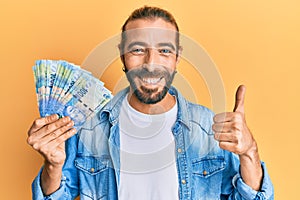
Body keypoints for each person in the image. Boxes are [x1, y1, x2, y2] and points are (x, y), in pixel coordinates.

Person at [27, 6, 274, 200]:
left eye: (164, 51)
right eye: (137, 49)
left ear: (177, 57)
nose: (150, 62)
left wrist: (250, 154)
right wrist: (53, 165)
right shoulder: (89, 127)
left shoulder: (209, 128)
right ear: (122, 54)